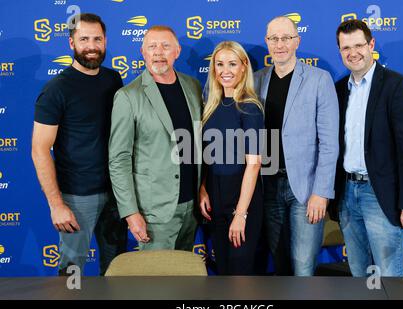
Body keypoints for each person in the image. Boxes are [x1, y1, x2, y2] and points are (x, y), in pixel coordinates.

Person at [32, 13, 127, 276]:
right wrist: (56, 205)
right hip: (77, 196)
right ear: (71, 43)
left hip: (117, 192)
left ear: (106, 41)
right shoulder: (56, 90)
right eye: (84, 39)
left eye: (97, 38)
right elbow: (39, 149)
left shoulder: (113, 79)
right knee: (72, 270)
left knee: (117, 268)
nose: (92, 45)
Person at [330, 19, 403, 277]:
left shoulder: (396, 85)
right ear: (339, 51)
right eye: (346, 47)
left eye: (359, 45)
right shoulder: (338, 90)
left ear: (371, 44)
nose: (353, 53)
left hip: (380, 194)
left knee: (390, 274)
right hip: (347, 195)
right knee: (360, 273)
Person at [254, 16, 339, 276]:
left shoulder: (318, 79)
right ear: (267, 42)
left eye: (286, 38)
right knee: (279, 263)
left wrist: (321, 192)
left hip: (305, 189)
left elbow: (329, 142)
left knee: (303, 266)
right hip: (267, 185)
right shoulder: (255, 80)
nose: (280, 44)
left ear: (297, 41)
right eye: (274, 39)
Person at [109, 26, 202, 251]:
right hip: (154, 212)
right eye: (152, 46)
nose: (158, 52)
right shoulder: (128, 97)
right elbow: (118, 160)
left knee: (185, 280)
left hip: (192, 207)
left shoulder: (192, 86)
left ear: (177, 51)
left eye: (165, 46)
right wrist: (131, 213)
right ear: (143, 52)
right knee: (156, 283)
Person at [199, 41, 264, 275]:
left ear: (244, 67)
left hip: (242, 196)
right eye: (220, 64)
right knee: (224, 270)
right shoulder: (211, 107)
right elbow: (210, 154)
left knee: (239, 273)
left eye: (232, 64)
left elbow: (254, 164)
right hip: (216, 196)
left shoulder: (250, 108)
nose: (225, 70)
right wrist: (204, 188)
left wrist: (240, 214)